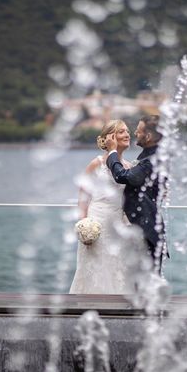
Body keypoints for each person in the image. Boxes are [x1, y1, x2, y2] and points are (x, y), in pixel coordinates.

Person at [69, 120, 145, 294]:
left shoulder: (128, 167)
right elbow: (83, 195)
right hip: (97, 222)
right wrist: (84, 224)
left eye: (127, 131)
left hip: (119, 224)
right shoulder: (97, 163)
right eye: (121, 132)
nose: (127, 135)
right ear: (109, 137)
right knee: (95, 265)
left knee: (118, 267)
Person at [105, 115, 168, 274]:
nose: (134, 133)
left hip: (146, 231)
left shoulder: (151, 160)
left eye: (138, 131)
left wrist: (112, 151)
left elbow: (122, 177)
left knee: (147, 281)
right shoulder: (154, 157)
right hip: (143, 228)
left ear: (148, 136)